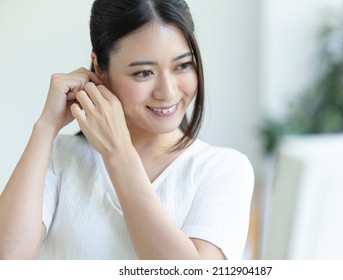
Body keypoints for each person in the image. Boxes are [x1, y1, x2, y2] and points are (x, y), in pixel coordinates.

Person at [0, 0, 254, 260]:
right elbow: (8, 260)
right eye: (144, 73)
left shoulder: (224, 169)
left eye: (182, 66)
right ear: (100, 68)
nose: (167, 91)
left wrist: (119, 155)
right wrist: (45, 126)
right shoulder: (59, 157)